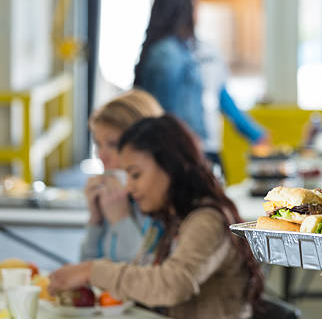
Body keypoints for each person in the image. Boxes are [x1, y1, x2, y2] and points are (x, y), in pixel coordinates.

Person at [49, 115, 264, 318]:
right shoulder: (168, 220)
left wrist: (91, 271)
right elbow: (141, 279)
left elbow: (171, 285)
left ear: (169, 166)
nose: (129, 187)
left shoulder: (208, 220)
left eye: (136, 175)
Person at [134, 0, 268, 178]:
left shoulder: (190, 50)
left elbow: (220, 96)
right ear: (183, 8)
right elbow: (164, 110)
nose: (198, 14)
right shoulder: (168, 54)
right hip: (182, 150)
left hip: (192, 147)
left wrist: (254, 133)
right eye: (196, 6)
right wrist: (186, 140)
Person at [82, 89, 164, 262]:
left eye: (113, 145)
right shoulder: (114, 195)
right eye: (98, 144)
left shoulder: (160, 203)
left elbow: (150, 276)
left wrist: (121, 219)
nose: (101, 156)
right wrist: (95, 220)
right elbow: (86, 271)